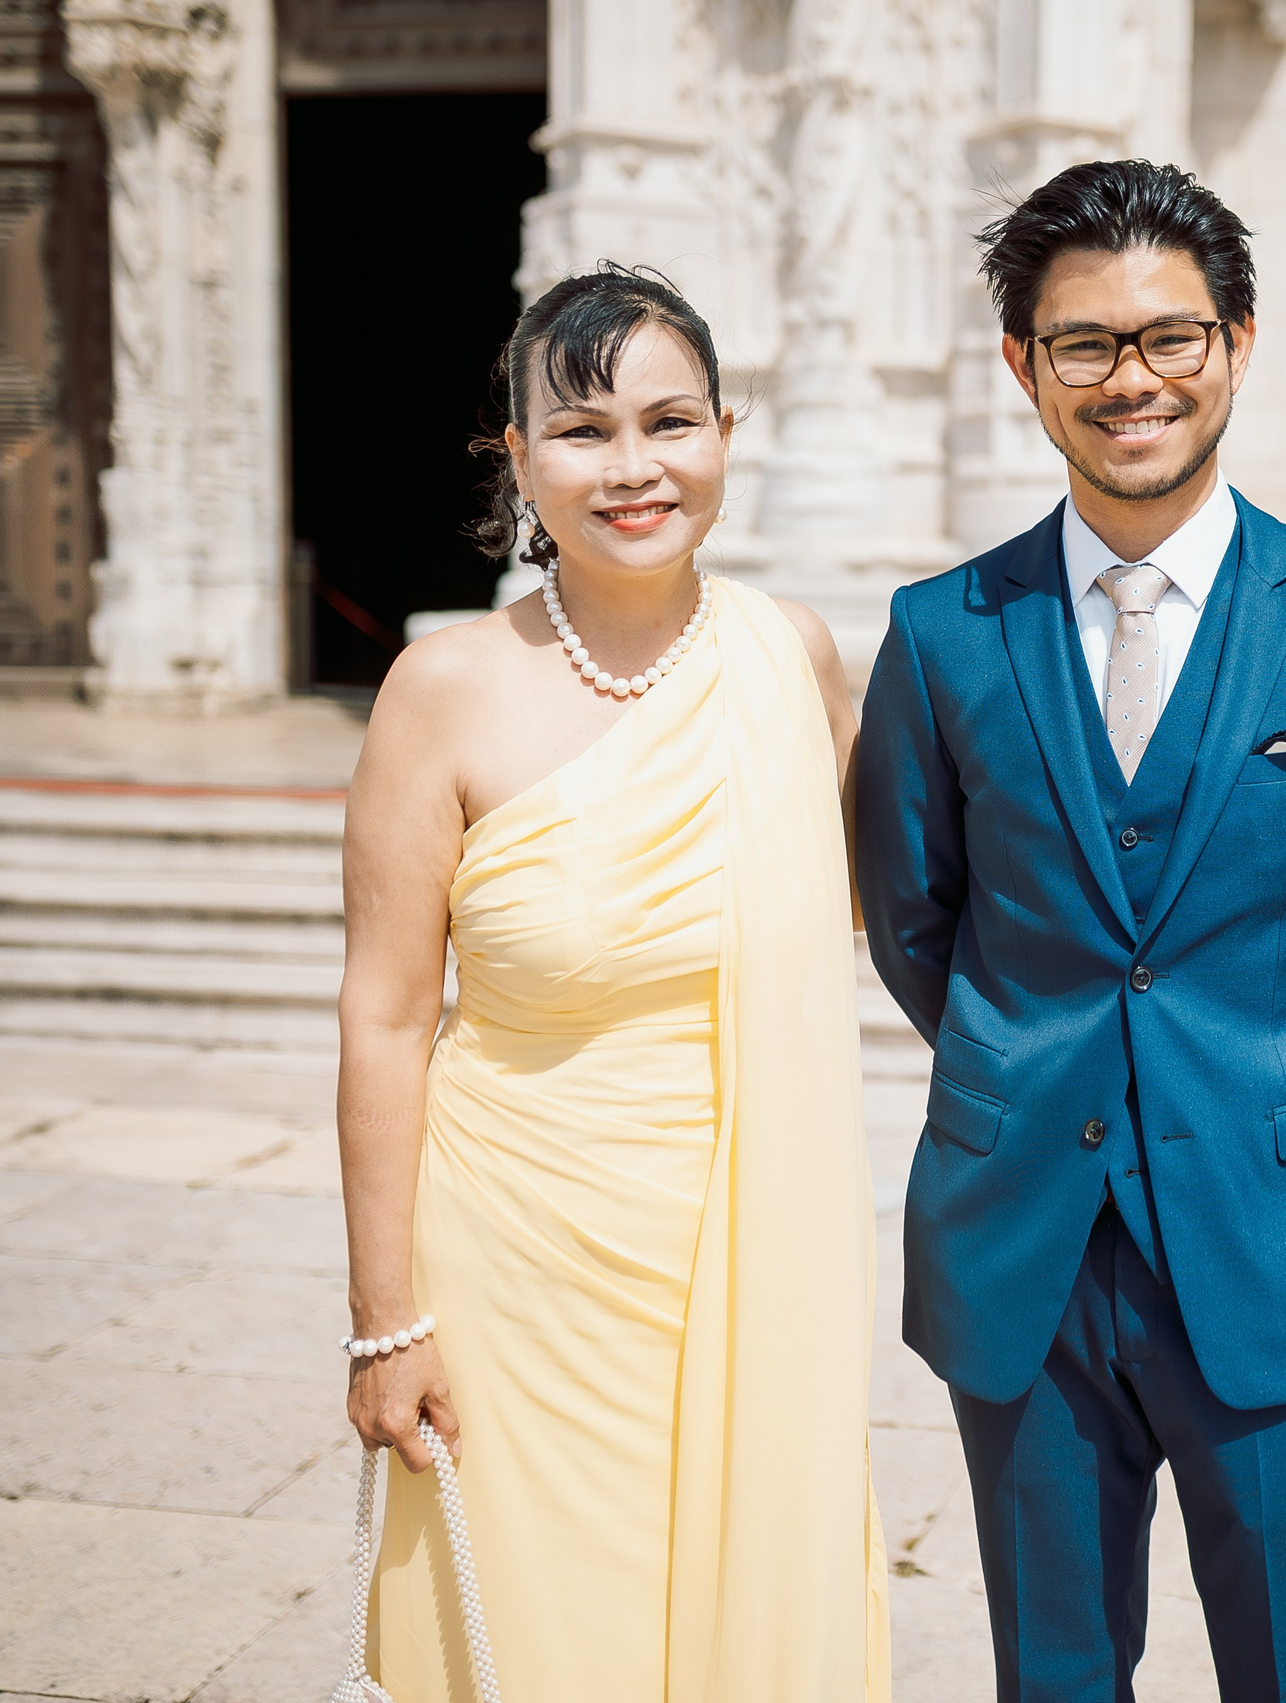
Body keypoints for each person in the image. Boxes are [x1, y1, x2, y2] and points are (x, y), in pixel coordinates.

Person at [856, 160, 1286, 1703]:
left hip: (1282, 1237)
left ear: (1239, 342)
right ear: (1024, 364)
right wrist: (1050, 1067)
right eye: (1085, 343)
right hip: (1026, 1250)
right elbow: (910, 914)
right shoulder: (942, 633)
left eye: (1171, 336)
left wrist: (1282, 1078)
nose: (1131, 377)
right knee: (1053, 1677)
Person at [334, 264, 887, 1700]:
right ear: (516, 459)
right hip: (515, 1272)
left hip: (750, 1257)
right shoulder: (439, 691)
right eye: (582, 431)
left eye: (670, 421)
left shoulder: (793, 658)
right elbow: (387, 1020)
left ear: (723, 432)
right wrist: (387, 1319)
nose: (634, 467)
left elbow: (911, 917)